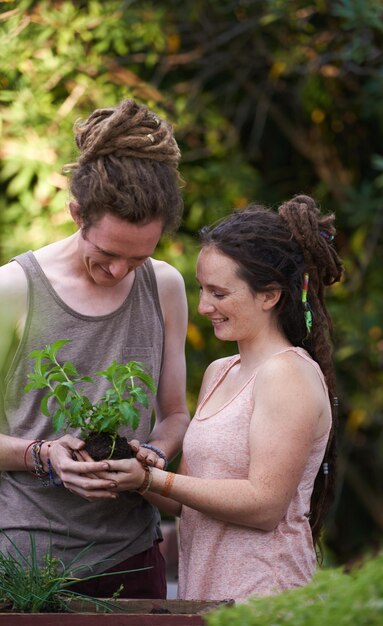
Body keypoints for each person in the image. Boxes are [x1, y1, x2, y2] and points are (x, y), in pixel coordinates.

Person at [100, 195, 344, 602]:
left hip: (265, 599)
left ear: (269, 295)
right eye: (201, 289)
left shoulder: (287, 374)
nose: (203, 306)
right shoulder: (221, 371)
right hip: (207, 598)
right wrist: (128, 468)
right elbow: (189, 498)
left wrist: (153, 478)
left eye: (219, 293)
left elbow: (265, 505)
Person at [0, 99, 190, 599]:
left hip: (133, 554)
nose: (119, 272)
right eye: (106, 255)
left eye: (138, 257)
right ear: (77, 214)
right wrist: (42, 456)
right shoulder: (14, 289)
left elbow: (174, 415)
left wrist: (151, 455)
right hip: (25, 561)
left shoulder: (165, 286)